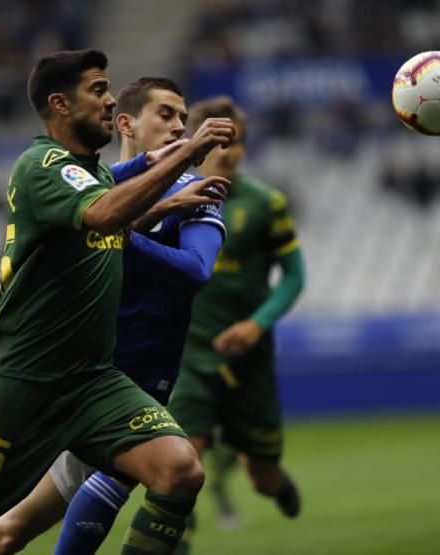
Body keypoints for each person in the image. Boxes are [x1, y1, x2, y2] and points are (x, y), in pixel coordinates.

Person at [0, 50, 234, 555]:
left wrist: (168, 193)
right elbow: (105, 216)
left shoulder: (95, 175)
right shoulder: (42, 164)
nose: (109, 100)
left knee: (179, 469)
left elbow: (113, 213)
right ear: (60, 104)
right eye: (98, 90)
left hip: (93, 381)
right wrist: (187, 153)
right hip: (25, 379)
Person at [168, 96, 306, 551]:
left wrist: (257, 325)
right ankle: (172, 538)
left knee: (261, 477)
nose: (227, 152)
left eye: (237, 142)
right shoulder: (169, 196)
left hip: (251, 358)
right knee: (180, 465)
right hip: (190, 355)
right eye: (218, 141)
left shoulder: (267, 203)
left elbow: (294, 276)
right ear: (196, 141)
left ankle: (277, 485)